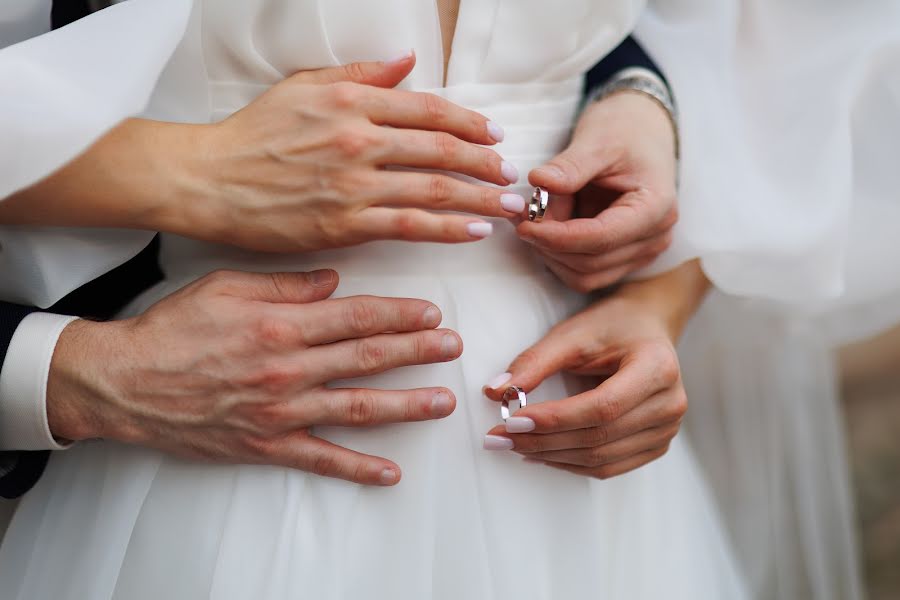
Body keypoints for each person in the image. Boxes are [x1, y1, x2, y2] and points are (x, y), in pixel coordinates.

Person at [0, 1, 749, 599]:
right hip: (223, 432)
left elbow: (730, 54)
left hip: (570, 457)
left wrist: (654, 296)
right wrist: (193, 169)